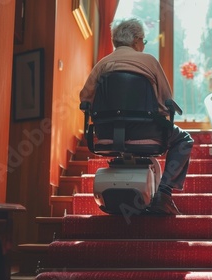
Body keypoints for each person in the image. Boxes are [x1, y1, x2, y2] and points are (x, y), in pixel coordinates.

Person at [80, 17, 194, 215]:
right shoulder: (149, 61)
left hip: (106, 136)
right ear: (136, 40)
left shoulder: (102, 64)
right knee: (184, 139)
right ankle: (164, 193)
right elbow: (166, 102)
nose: (143, 45)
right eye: (143, 41)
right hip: (148, 133)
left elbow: (85, 101)